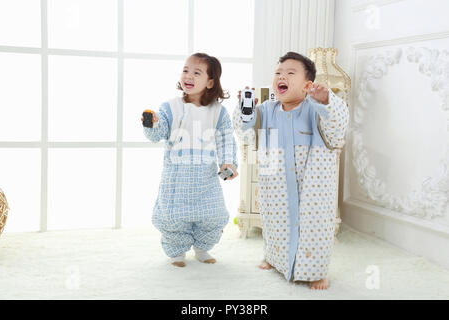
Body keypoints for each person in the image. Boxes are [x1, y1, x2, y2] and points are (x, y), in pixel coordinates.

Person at [232, 51, 349, 290]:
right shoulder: (266, 110)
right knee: (275, 225)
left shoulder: (315, 110)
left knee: (314, 231)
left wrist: (326, 101)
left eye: (290, 73)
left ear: (307, 84)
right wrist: (245, 110)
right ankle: (275, 260)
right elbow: (245, 132)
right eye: (278, 73)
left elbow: (337, 129)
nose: (281, 76)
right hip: (276, 187)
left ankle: (316, 272)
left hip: (312, 191)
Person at [142, 53, 238, 267]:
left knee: (213, 214)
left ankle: (202, 247)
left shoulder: (218, 112)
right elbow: (158, 134)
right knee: (173, 216)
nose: (189, 75)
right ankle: (176, 251)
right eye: (186, 70)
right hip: (176, 177)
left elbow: (226, 140)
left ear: (210, 82)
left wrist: (228, 162)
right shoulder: (170, 107)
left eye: (197, 72)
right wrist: (152, 124)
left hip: (205, 177)